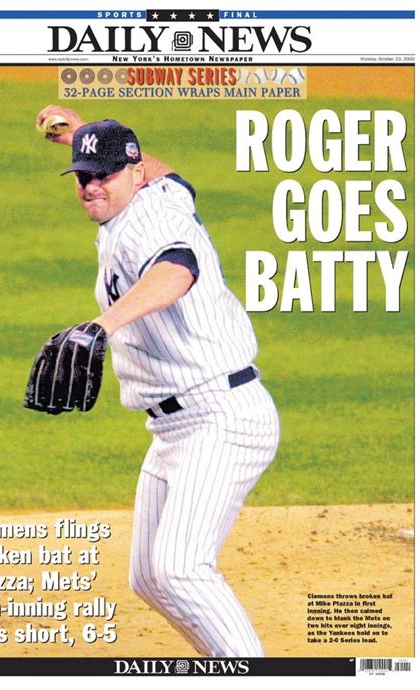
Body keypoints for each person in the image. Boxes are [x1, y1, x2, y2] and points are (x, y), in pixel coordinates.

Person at [37, 105, 280, 657]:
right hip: (176, 428)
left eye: (104, 175)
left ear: (134, 174)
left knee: (179, 569)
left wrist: (102, 325)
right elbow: (173, 176)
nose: (91, 186)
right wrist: (83, 136)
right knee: (149, 576)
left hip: (221, 417)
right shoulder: (159, 192)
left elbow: (177, 268)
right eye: (83, 175)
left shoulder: (149, 224)